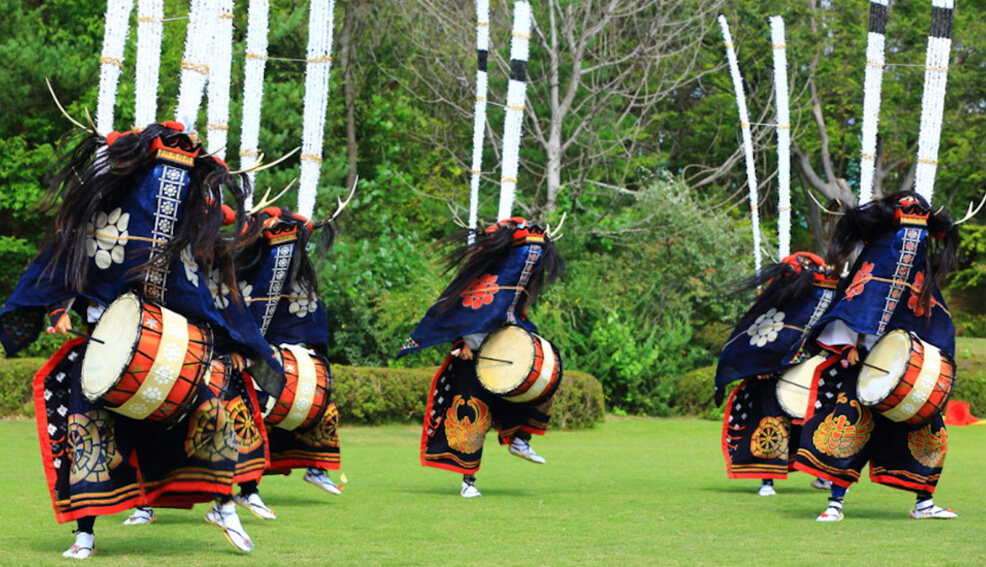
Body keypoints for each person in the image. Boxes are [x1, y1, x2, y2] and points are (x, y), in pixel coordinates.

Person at [0, 122, 280, 557]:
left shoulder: (183, 238)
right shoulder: (103, 218)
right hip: (103, 350)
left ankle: (225, 503)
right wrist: (55, 309)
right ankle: (85, 533)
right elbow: (63, 268)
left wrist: (232, 344)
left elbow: (201, 299)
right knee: (87, 436)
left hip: (166, 354)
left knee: (213, 415)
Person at [123, 205, 344, 525]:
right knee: (154, 426)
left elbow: (232, 304)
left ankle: (249, 489)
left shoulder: (238, 259)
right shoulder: (171, 246)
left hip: (227, 353)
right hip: (172, 350)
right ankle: (144, 504)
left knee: (245, 421)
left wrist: (242, 346)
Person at [794, 191, 959, 522]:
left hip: (910, 372)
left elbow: (933, 322)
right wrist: (849, 345)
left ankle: (924, 503)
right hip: (866, 367)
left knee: (929, 432)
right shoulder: (875, 261)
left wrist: (929, 359)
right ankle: (835, 503)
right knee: (849, 431)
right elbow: (853, 305)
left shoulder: (921, 279)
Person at [396, 218, 565, 497]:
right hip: (471, 360)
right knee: (471, 416)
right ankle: (468, 482)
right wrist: (460, 343)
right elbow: (454, 315)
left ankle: (520, 439)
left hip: (506, 354)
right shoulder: (477, 284)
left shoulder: (512, 291)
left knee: (546, 375)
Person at [716, 252, 840, 496]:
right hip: (770, 375)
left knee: (819, 420)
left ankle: (823, 473)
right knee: (771, 424)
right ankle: (767, 480)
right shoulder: (780, 297)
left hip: (807, 370)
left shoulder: (819, 296)